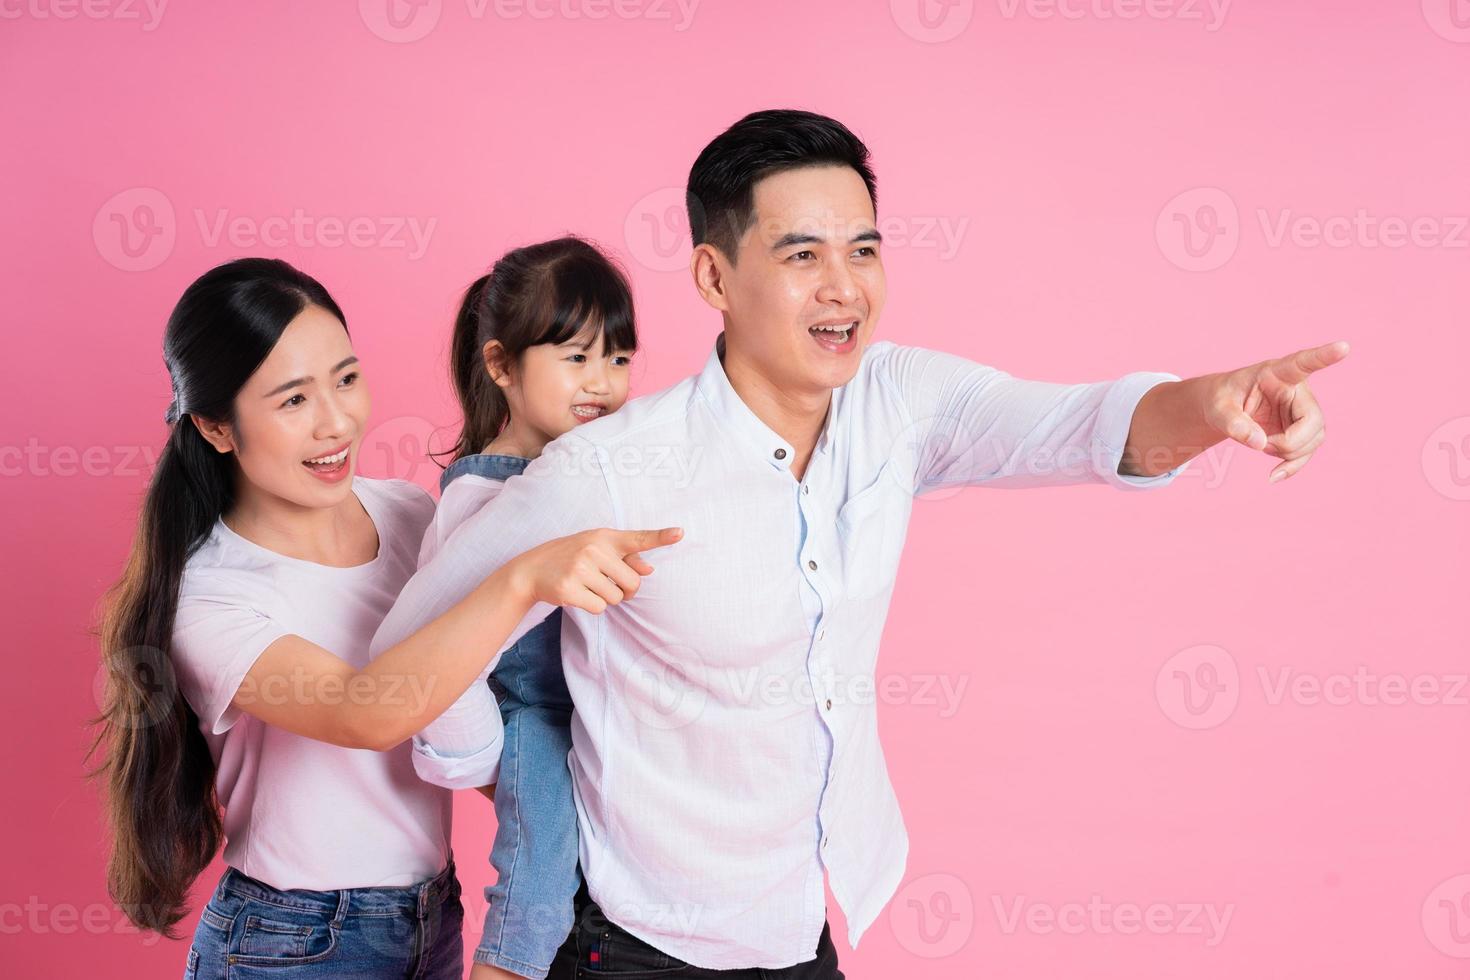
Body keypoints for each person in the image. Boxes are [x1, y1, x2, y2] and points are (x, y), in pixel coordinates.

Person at [370, 109, 1348, 978]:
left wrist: (1216, 403)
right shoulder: (614, 466)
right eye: (801, 254)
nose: (843, 286)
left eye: (864, 249)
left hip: (801, 934)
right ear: (715, 274)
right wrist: (480, 758)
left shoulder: (899, 402)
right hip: (630, 944)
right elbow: (408, 653)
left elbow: (1082, 422)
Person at [90, 257, 678, 979]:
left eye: (345, 378)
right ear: (216, 426)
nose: (337, 422)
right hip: (292, 942)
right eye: (293, 400)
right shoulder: (211, 595)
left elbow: (481, 706)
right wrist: (522, 576)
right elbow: (365, 712)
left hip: (432, 918)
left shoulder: (408, 515)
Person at [413, 237, 639, 979]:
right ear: (502, 365)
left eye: (618, 359)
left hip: (595, 712)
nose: (602, 382)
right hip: (532, 717)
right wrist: (491, 762)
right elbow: (429, 650)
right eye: (576, 358)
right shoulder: (482, 498)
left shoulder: (585, 473)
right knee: (540, 867)